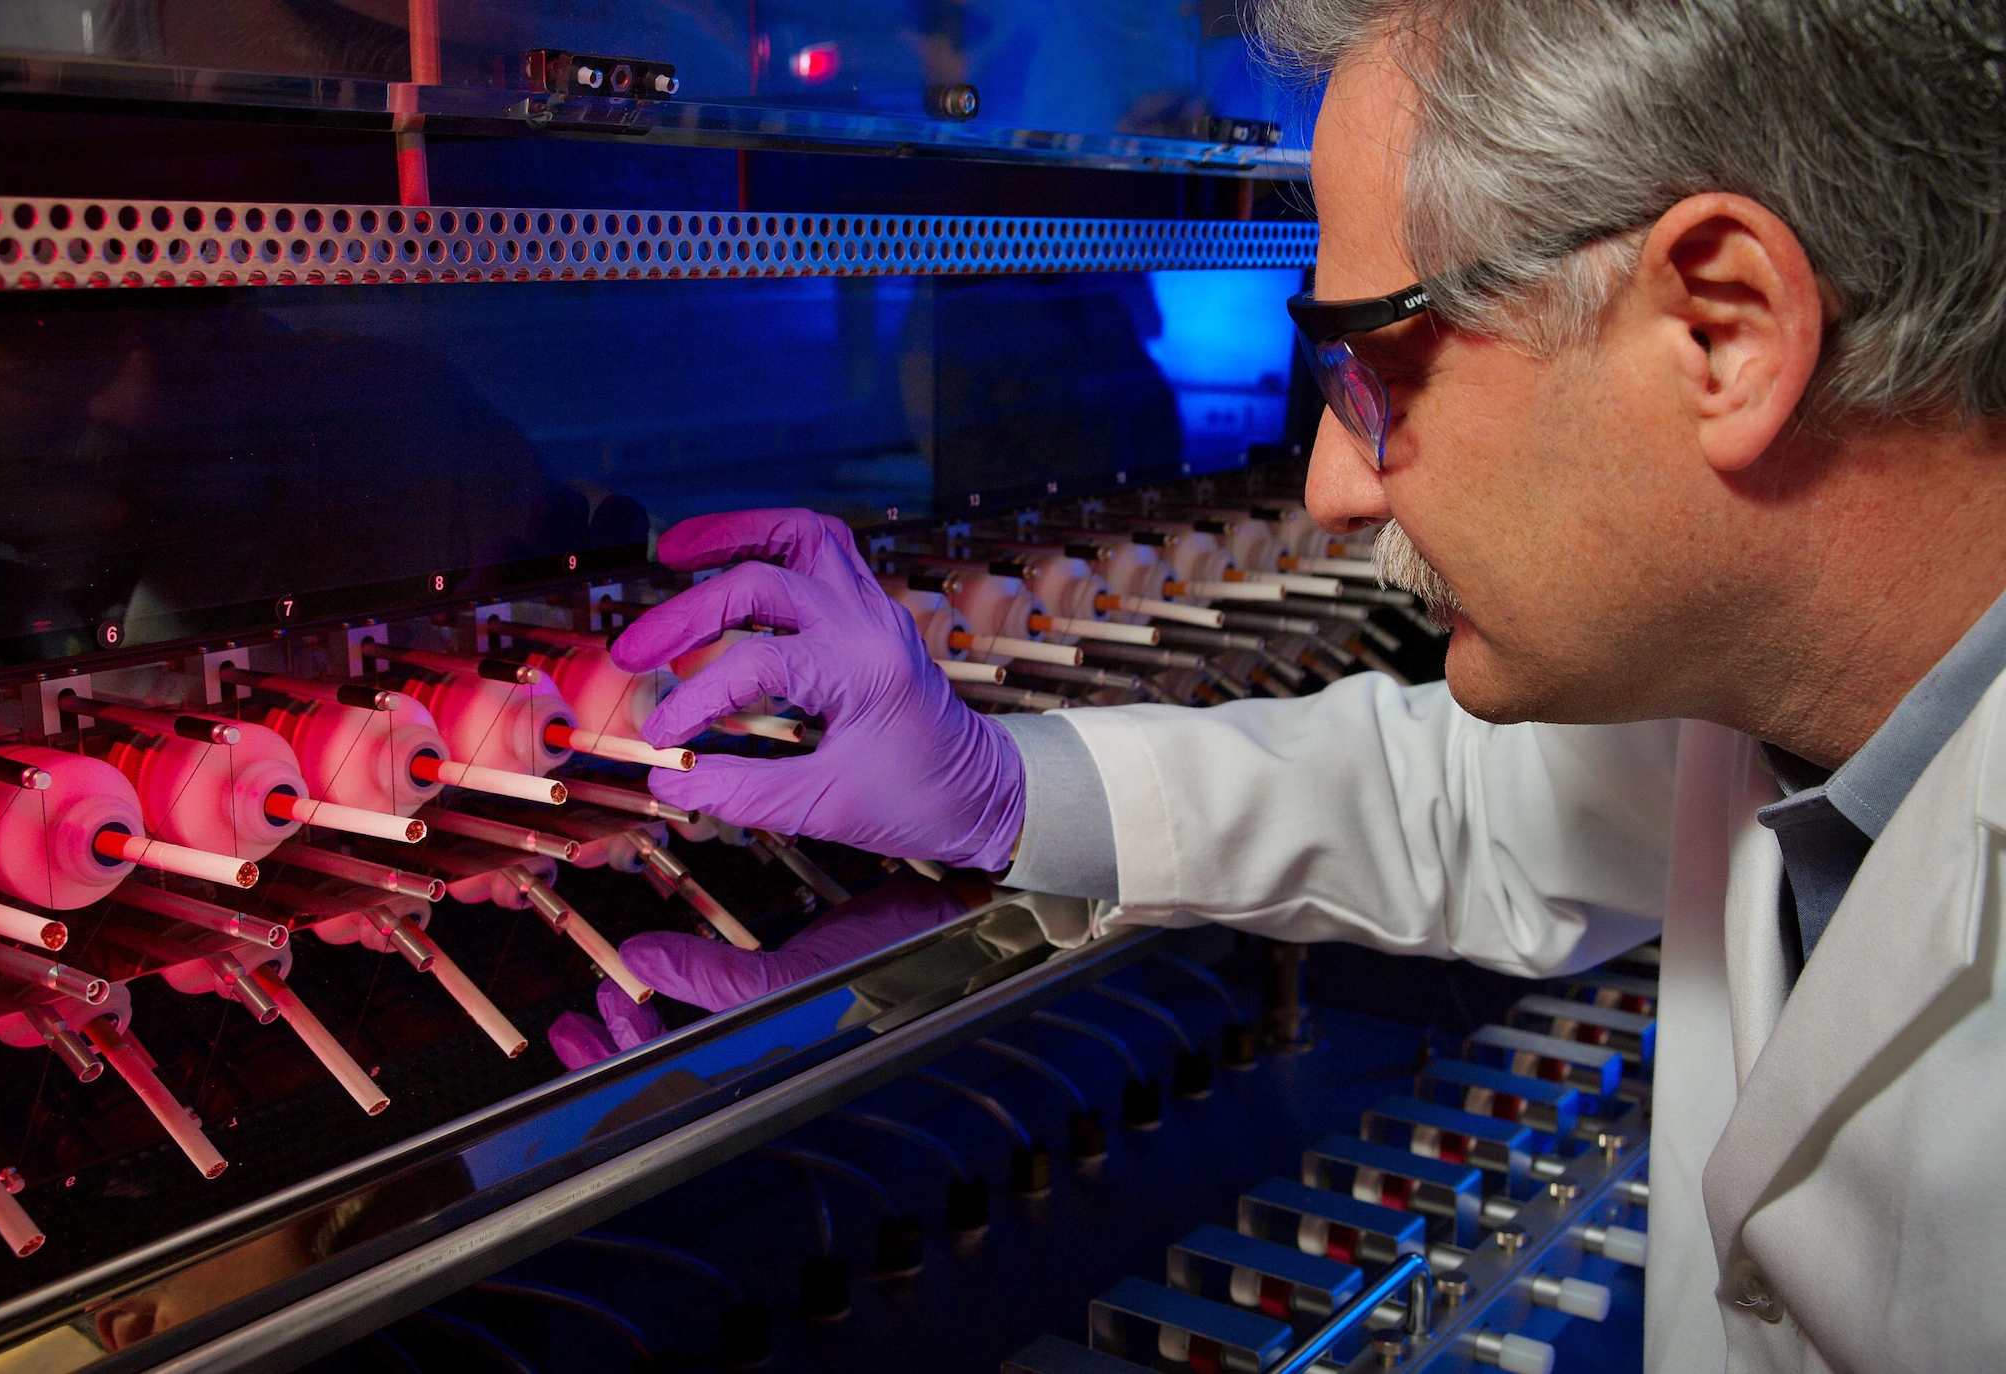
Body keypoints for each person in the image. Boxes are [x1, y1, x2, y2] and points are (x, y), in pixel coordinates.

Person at [603, 2, 2006, 1368]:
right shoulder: (1784, 696)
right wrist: (999, 788)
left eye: (1379, 368)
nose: (1334, 485)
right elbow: (1472, 803)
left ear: (1723, 329)